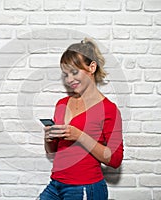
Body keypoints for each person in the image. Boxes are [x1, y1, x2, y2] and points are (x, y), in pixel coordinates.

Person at [39, 38, 124, 200]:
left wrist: (79, 136)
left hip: (85, 187)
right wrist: (48, 138)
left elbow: (115, 160)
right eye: (66, 74)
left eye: (74, 72)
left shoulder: (108, 109)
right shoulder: (62, 104)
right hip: (56, 184)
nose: (69, 79)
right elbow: (52, 150)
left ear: (92, 67)